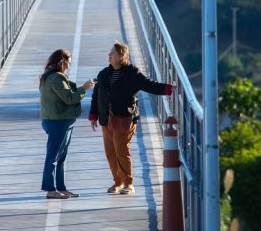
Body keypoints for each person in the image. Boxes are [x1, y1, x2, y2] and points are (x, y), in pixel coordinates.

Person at [89, 41, 174, 195]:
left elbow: (149, 85)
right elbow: (96, 95)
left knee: (121, 149)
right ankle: (117, 182)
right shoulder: (103, 74)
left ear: (122, 56)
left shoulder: (132, 73)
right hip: (106, 118)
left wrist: (168, 89)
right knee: (110, 151)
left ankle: (129, 184)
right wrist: (93, 115)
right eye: (109, 53)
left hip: (124, 118)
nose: (109, 55)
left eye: (112, 53)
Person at [39, 49, 96, 199]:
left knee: (61, 157)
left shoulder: (51, 77)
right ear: (62, 61)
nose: (69, 65)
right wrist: (84, 89)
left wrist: (82, 89)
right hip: (58, 122)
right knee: (53, 157)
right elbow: (70, 99)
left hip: (61, 121)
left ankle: (61, 188)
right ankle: (51, 190)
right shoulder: (56, 78)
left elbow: (66, 96)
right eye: (68, 62)